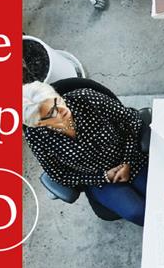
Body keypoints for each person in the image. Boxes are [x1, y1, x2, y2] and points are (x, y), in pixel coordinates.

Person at [22, 81, 149, 226]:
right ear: (38, 123)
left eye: (56, 100)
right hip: (99, 179)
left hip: (130, 157)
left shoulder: (86, 98)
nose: (61, 109)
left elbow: (132, 121)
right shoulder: (35, 136)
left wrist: (128, 161)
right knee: (138, 212)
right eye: (50, 113)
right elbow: (58, 174)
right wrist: (104, 176)